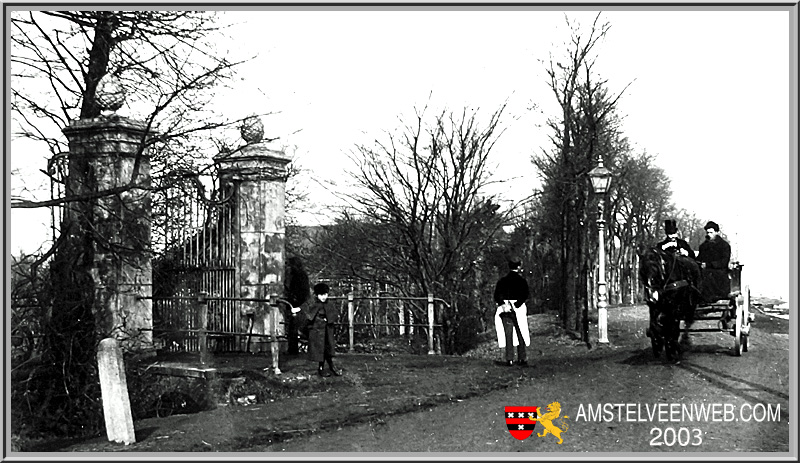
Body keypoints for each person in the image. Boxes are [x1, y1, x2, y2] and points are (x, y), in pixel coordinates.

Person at [292, 283, 341, 377]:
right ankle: (322, 368)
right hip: (317, 330)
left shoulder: (329, 304)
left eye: (325, 294)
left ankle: (331, 366)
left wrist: (328, 319)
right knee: (320, 350)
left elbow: (334, 315)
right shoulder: (313, 303)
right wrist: (297, 309)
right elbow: (305, 308)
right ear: (317, 295)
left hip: (327, 330)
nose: (324, 297)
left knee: (328, 349)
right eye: (321, 295)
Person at [492, 257, 531, 366]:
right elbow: (525, 295)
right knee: (521, 332)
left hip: (505, 308)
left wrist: (503, 304)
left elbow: (497, 295)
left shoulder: (502, 281)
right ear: (518, 267)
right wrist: (517, 304)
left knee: (508, 333)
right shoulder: (522, 281)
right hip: (518, 307)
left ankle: (509, 359)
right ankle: (522, 358)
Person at [696, 221, 732, 304]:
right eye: (707, 232)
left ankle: (712, 297)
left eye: (711, 232)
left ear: (717, 232)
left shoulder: (724, 245)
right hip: (705, 271)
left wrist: (709, 264)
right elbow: (699, 258)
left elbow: (724, 261)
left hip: (719, 271)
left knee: (709, 275)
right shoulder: (703, 246)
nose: (709, 234)